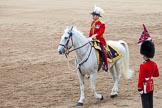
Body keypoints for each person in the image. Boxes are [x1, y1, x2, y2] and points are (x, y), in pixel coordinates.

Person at [138, 25, 159, 108]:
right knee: (150, 102)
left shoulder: (143, 65)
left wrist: (139, 87)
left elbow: (141, 78)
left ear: (144, 55)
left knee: (145, 102)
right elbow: (156, 74)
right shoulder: (154, 64)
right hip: (151, 84)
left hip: (144, 85)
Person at [89, 5, 108, 71]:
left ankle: (105, 64)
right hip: (92, 39)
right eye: (93, 15)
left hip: (100, 40)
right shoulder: (92, 23)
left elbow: (101, 32)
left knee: (102, 51)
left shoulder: (101, 24)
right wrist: (89, 38)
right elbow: (91, 32)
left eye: (93, 15)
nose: (93, 16)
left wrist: (95, 36)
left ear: (97, 16)